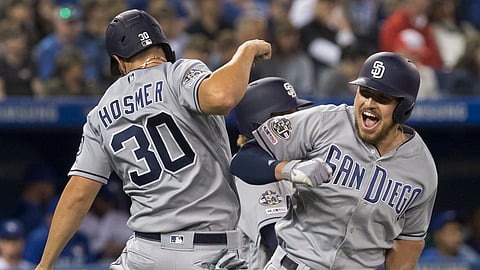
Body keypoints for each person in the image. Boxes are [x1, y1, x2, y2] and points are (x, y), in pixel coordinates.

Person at [34, 8, 271, 270]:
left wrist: (45, 264)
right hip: (208, 249)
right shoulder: (179, 73)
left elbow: (78, 194)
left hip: (144, 253)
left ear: (119, 61)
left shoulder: (100, 111)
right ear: (163, 47)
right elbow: (223, 97)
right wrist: (246, 51)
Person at [231, 51, 438, 269]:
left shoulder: (421, 169)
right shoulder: (323, 121)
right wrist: (288, 169)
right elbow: (244, 160)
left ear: (404, 108)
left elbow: (409, 241)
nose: (369, 103)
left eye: (382, 98)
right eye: (364, 92)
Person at [232, 77, 313, 269]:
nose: (297, 124)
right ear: (260, 124)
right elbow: (277, 239)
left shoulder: (283, 165)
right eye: (288, 118)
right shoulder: (252, 175)